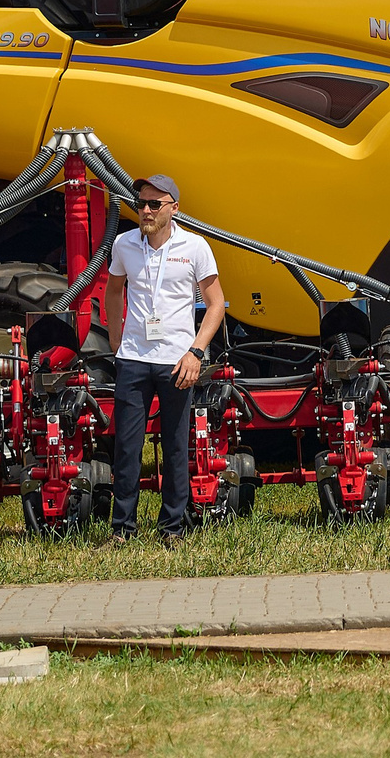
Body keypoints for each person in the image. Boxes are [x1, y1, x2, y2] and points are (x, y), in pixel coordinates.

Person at [105, 173, 227, 542]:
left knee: (175, 446)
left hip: (178, 360)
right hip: (133, 359)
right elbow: (113, 290)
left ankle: (172, 528)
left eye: (154, 204)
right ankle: (122, 529)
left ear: (174, 208)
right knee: (127, 448)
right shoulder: (125, 243)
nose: (145, 210)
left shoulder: (195, 246)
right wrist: (115, 338)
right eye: (140, 203)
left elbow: (216, 303)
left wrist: (196, 352)